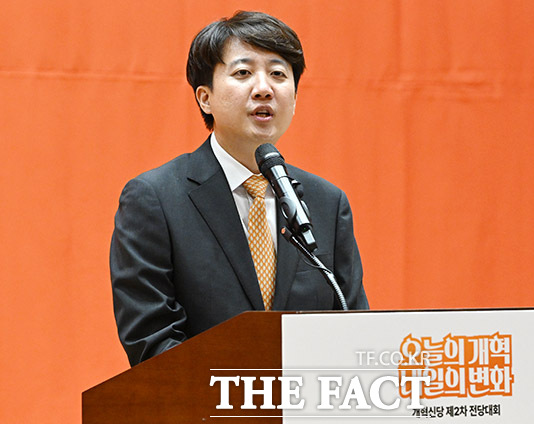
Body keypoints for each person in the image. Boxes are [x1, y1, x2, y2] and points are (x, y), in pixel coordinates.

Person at [110, 11, 369, 366]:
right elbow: (152, 341)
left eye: (278, 74)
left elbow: (353, 332)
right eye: (243, 73)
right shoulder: (155, 199)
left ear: (294, 97)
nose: (264, 88)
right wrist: (247, 391)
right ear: (205, 98)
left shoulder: (327, 203)